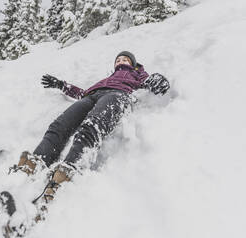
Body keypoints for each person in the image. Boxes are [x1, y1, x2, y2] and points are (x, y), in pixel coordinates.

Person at [13, 51, 170, 204]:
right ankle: (34, 163)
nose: (120, 61)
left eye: (125, 59)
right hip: (92, 96)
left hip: (118, 95)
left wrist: (157, 79)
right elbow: (83, 93)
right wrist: (61, 85)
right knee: (59, 126)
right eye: (118, 59)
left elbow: (148, 82)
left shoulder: (137, 74)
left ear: (133, 64)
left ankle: (66, 174)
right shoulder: (107, 78)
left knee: (91, 126)